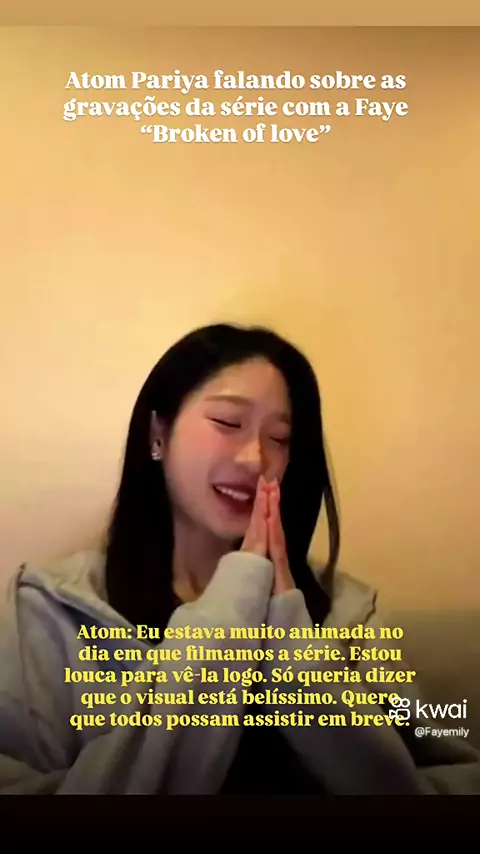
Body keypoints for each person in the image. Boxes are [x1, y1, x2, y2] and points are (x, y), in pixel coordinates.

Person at [0, 322, 478, 795]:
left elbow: (424, 780)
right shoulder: (51, 607)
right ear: (157, 433)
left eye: (280, 439)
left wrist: (292, 646)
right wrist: (235, 600)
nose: (255, 459)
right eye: (228, 423)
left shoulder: (350, 613)